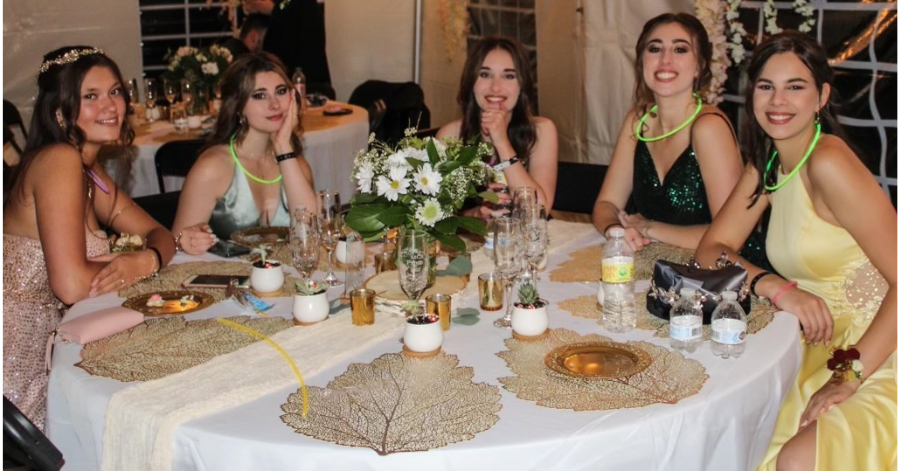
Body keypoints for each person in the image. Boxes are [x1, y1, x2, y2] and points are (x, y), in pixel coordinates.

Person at [695, 32, 896, 471]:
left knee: (797, 461)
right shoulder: (768, 161)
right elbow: (710, 248)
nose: (777, 101)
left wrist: (850, 376)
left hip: (880, 351)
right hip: (817, 346)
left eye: (795, 86)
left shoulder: (828, 162)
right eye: (765, 86)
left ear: (821, 95)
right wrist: (777, 288)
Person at [3, 46, 176, 428]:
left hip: (55, 346)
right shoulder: (59, 162)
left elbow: (159, 234)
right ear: (60, 112)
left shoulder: (89, 170)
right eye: (91, 96)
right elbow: (71, 285)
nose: (111, 105)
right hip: (15, 368)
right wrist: (130, 261)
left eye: (115, 91)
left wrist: (145, 259)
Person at [590, 13, 768, 268]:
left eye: (680, 49)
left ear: (699, 66)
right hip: (658, 265)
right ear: (641, 62)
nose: (665, 60)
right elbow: (606, 204)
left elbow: (730, 239)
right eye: (655, 48)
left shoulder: (708, 127)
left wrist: (649, 228)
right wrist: (616, 230)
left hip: (724, 273)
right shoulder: (638, 121)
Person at [172, 52, 317, 254]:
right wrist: (184, 241)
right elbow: (176, 246)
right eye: (259, 95)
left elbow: (310, 234)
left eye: (281, 91)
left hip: (286, 279)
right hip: (225, 281)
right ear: (238, 106)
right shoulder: (213, 167)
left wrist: (283, 146)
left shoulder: (295, 164)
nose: (274, 104)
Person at [437, 36, 558, 218]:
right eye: (485, 74)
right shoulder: (451, 135)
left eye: (509, 76)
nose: (495, 87)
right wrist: (475, 215)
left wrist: (501, 141)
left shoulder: (541, 131)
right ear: (471, 83)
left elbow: (539, 211)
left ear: (522, 85)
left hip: (526, 241)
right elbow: (434, 214)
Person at [242, 0, 334, 99]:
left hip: (306, 81)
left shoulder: (289, 4)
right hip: (281, 78)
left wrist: (272, 9)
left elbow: (285, 6)